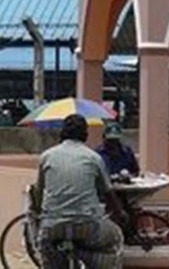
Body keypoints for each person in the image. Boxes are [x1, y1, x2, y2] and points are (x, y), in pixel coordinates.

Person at [34, 114, 127, 268]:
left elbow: (38, 191)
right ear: (85, 134)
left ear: (62, 133)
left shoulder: (46, 156)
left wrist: (38, 213)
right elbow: (108, 192)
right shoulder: (94, 157)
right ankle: (88, 258)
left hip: (53, 225)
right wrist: (121, 213)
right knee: (115, 237)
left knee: (47, 250)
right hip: (86, 224)